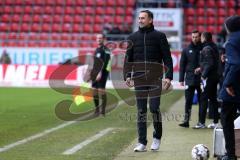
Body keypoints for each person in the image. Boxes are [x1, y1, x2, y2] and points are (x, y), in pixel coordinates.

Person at [123, 10, 173, 152]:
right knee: (141, 111)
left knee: (154, 108)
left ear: (150, 20)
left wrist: (168, 76)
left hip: (155, 78)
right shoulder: (132, 37)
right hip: (139, 79)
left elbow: (167, 58)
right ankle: (142, 142)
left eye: (143, 18)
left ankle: (157, 137)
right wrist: (127, 75)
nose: (140, 20)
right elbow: (128, 59)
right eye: (139, 18)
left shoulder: (160, 36)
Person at [219, 15, 240, 160]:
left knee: (226, 118)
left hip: (234, 87)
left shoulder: (231, 41)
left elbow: (236, 64)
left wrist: (227, 83)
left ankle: (230, 154)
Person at [193, 32, 220, 129]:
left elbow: (209, 63)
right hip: (215, 76)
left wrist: (203, 75)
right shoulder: (214, 46)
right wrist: (201, 68)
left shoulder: (206, 48)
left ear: (204, 38)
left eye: (201, 37)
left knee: (203, 99)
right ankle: (216, 122)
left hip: (209, 78)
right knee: (213, 99)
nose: (200, 38)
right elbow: (211, 62)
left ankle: (201, 123)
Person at [178, 30, 202, 128]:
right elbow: (182, 65)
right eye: (193, 37)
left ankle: (201, 121)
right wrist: (181, 79)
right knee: (188, 101)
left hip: (202, 79)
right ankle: (186, 121)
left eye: (196, 37)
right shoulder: (186, 50)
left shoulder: (204, 48)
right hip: (189, 79)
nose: (194, 38)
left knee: (202, 101)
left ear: (200, 37)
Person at [89, 34, 111, 116]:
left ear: (103, 39)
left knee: (101, 90)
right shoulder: (97, 49)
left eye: (100, 38)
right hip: (95, 72)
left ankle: (103, 110)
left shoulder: (106, 49)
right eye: (97, 38)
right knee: (94, 90)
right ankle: (97, 109)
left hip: (102, 72)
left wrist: (100, 72)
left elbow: (105, 62)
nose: (98, 39)